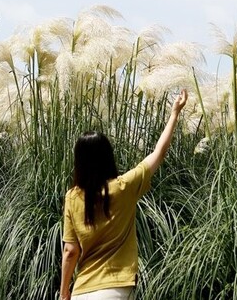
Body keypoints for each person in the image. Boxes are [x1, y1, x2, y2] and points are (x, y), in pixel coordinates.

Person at [59, 89, 188, 300]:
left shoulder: (72, 197)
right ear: (108, 157)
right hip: (116, 288)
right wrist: (174, 113)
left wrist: (64, 292)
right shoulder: (124, 187)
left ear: (79, 162)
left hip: (81, 290)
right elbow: (159, 152)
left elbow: (70, 251)